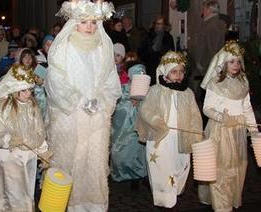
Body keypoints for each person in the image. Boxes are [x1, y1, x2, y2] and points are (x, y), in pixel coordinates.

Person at [46, 0, 121, 211]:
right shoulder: (64, 48)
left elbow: (110, 79)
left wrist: (102, 102)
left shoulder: (103, 47)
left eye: (93, 22)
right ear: (74, 22)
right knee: (70, 161)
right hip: (70, 116)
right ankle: (70, 204)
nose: (89, 27)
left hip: (97, 118)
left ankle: (95, 204)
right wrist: (79, 101)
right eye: (84, 22)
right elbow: (55, 80)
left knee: (95, 162)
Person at [0, 64, 51, 212]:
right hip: (5, 159)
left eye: (30, 89)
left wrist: (43, 151)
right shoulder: (2, 106)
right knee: (6, 193)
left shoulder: (31, 105)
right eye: (23, 90)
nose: (28, 94)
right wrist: (9, 139)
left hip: (26, 158)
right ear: (13, 89)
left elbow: (38, 130)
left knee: (24, 192)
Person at [136, 51, 202, 209]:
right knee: (161, 167)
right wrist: (157, 122)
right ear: (165, 73)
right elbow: (145, 110)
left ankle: (174, 191)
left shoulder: (187, 93)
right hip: (161, 138)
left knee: (180, 165)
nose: (178, 75)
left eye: (181, 71)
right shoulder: (156, 91)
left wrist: (194, 131)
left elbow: (194, 115)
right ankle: (164, 200)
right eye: (174, 71)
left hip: (180, 138)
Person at [198, 41, 258, 211]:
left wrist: (253, 129)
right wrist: (222, 118)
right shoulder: (215, 83)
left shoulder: (243, 82)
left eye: (238, 61)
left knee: (238, 167)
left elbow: (247, 108)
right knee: (222, 169)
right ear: (223, 63)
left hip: (238, 131)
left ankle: (230, 199)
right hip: (221, 131)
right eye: (231, 61)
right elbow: (207, 108)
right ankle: (221, 205)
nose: (236, 65)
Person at [110, 61, 147, 182]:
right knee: (119, 154)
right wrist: (127, 101)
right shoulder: (122, 90)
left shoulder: (149, 92)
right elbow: (114, 106)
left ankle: (137, 175)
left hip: (137, 129)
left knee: (137, 153)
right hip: (122, 129)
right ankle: (119, 174)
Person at [138, 15, 175, 84]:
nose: (158, 25)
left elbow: (171, 53)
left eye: (160, 23)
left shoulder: (168, 37)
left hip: (163, 67)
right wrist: (147, 57)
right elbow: (140, 51)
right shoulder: (148, 36)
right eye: (156, 23)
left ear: (164, 25)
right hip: (150, 67)